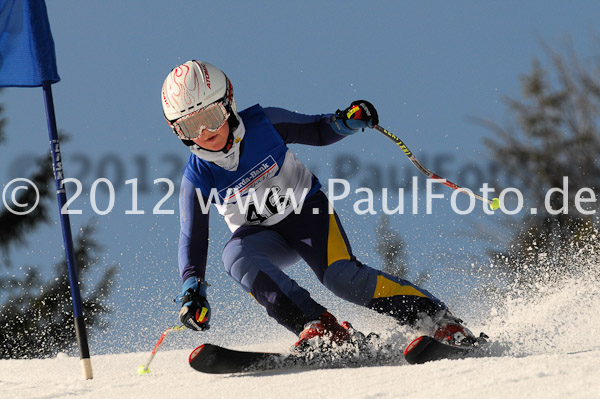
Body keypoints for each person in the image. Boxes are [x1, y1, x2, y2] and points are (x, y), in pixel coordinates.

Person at [162, 60, 477, 351]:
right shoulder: (197, 175)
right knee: (234, 255)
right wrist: (192, 289)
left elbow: (315, 128)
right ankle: (320, 327)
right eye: (191, 128)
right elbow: (193, 235)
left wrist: (346, 122)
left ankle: (436, 319)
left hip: (307, 214)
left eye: (211, 118)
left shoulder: (264, 123)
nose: (206, 133)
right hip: (262, 236)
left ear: (228, 105)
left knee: (341, 277)